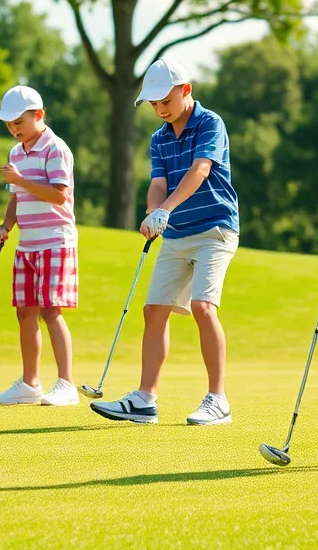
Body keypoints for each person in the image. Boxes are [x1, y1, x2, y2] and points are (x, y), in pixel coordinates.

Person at [90, 58, 239, 426]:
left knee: (204, 307)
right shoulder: (158, 138)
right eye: (154, 104)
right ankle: (145, 399)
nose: (159, 109)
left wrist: (166, 209)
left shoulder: (210, 123)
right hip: (176, 233)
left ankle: (218, 399)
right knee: (153, 310)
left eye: (165, 101)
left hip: (214, 229)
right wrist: (152, 212)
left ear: (186, 90)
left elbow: (200, 170)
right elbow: (158, 183)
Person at [0, 86, 80, 406]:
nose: (13, 128)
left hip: (56, 239)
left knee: (51, 310)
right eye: (8, 124)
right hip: (27, 244)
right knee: (25, 312)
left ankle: (66, 384)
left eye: (18, 121)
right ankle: (30, 383)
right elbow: (16, 197)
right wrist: (5, 225)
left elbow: (58, 195)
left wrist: (22, 180)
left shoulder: (56, 148)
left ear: (38, 115)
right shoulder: (15, 153)